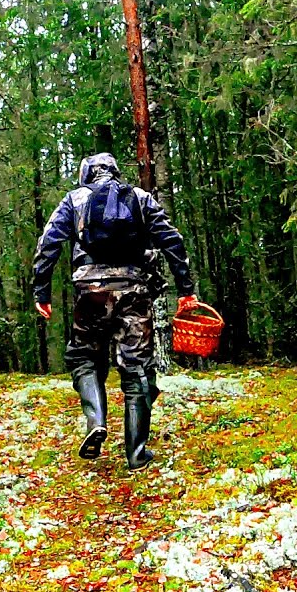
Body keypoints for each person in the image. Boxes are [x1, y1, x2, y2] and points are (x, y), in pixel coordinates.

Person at [31, 153, 198, 471]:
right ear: (115, 172)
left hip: (91, 292)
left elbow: (48, 244)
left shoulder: (75, 199)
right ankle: (137, 454)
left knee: (83, 358)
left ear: (86, 174)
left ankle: (96, 421)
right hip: (134, 289)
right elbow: (172, 241)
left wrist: (42, 290)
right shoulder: (140, 197)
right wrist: (186, 289)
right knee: (138, 368)